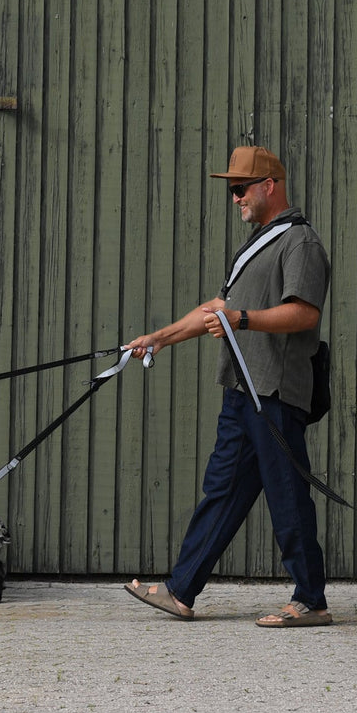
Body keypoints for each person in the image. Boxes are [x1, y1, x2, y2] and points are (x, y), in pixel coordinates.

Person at [122, 145, 332, 627]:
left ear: (269, 187)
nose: (235, 197)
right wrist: (159, 338)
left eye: (241, 188)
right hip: (243, 391)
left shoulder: (299, 243)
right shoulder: (257, 243)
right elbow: (216, 309)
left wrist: (243, 318)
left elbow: (305, 312)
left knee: (286, 496)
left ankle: (310, 601)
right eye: (232, 189)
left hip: (275, 392)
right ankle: (181, 591)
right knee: (222, 490)